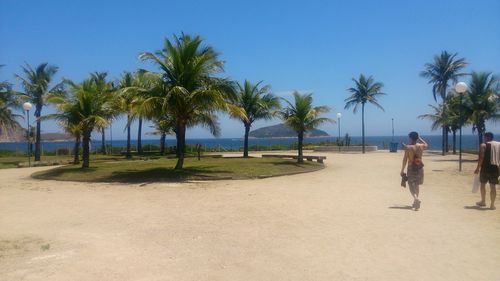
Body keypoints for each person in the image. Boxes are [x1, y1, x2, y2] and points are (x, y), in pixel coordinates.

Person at [400, 132, 428, 211]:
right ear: (417, 138)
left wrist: (402, 170)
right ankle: (415, 202)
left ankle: (416, 198)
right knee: (417, 184)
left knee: (410, 184)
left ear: (411, 138)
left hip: (411, 167)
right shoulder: (421, 146)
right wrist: (420, 138)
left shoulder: (408, 147)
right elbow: (426, 144)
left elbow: (405, 160)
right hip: (419, 167)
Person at [474, 132, 498, 210]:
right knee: (493, 186)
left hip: (485, 167)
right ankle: (492, 205)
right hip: (495, 168)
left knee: (483, 184)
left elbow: (481, 157)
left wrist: (477, 168)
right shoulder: (498, 144)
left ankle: (483, 201)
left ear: (487, 137)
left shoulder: (483, 145)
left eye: (485, 137)